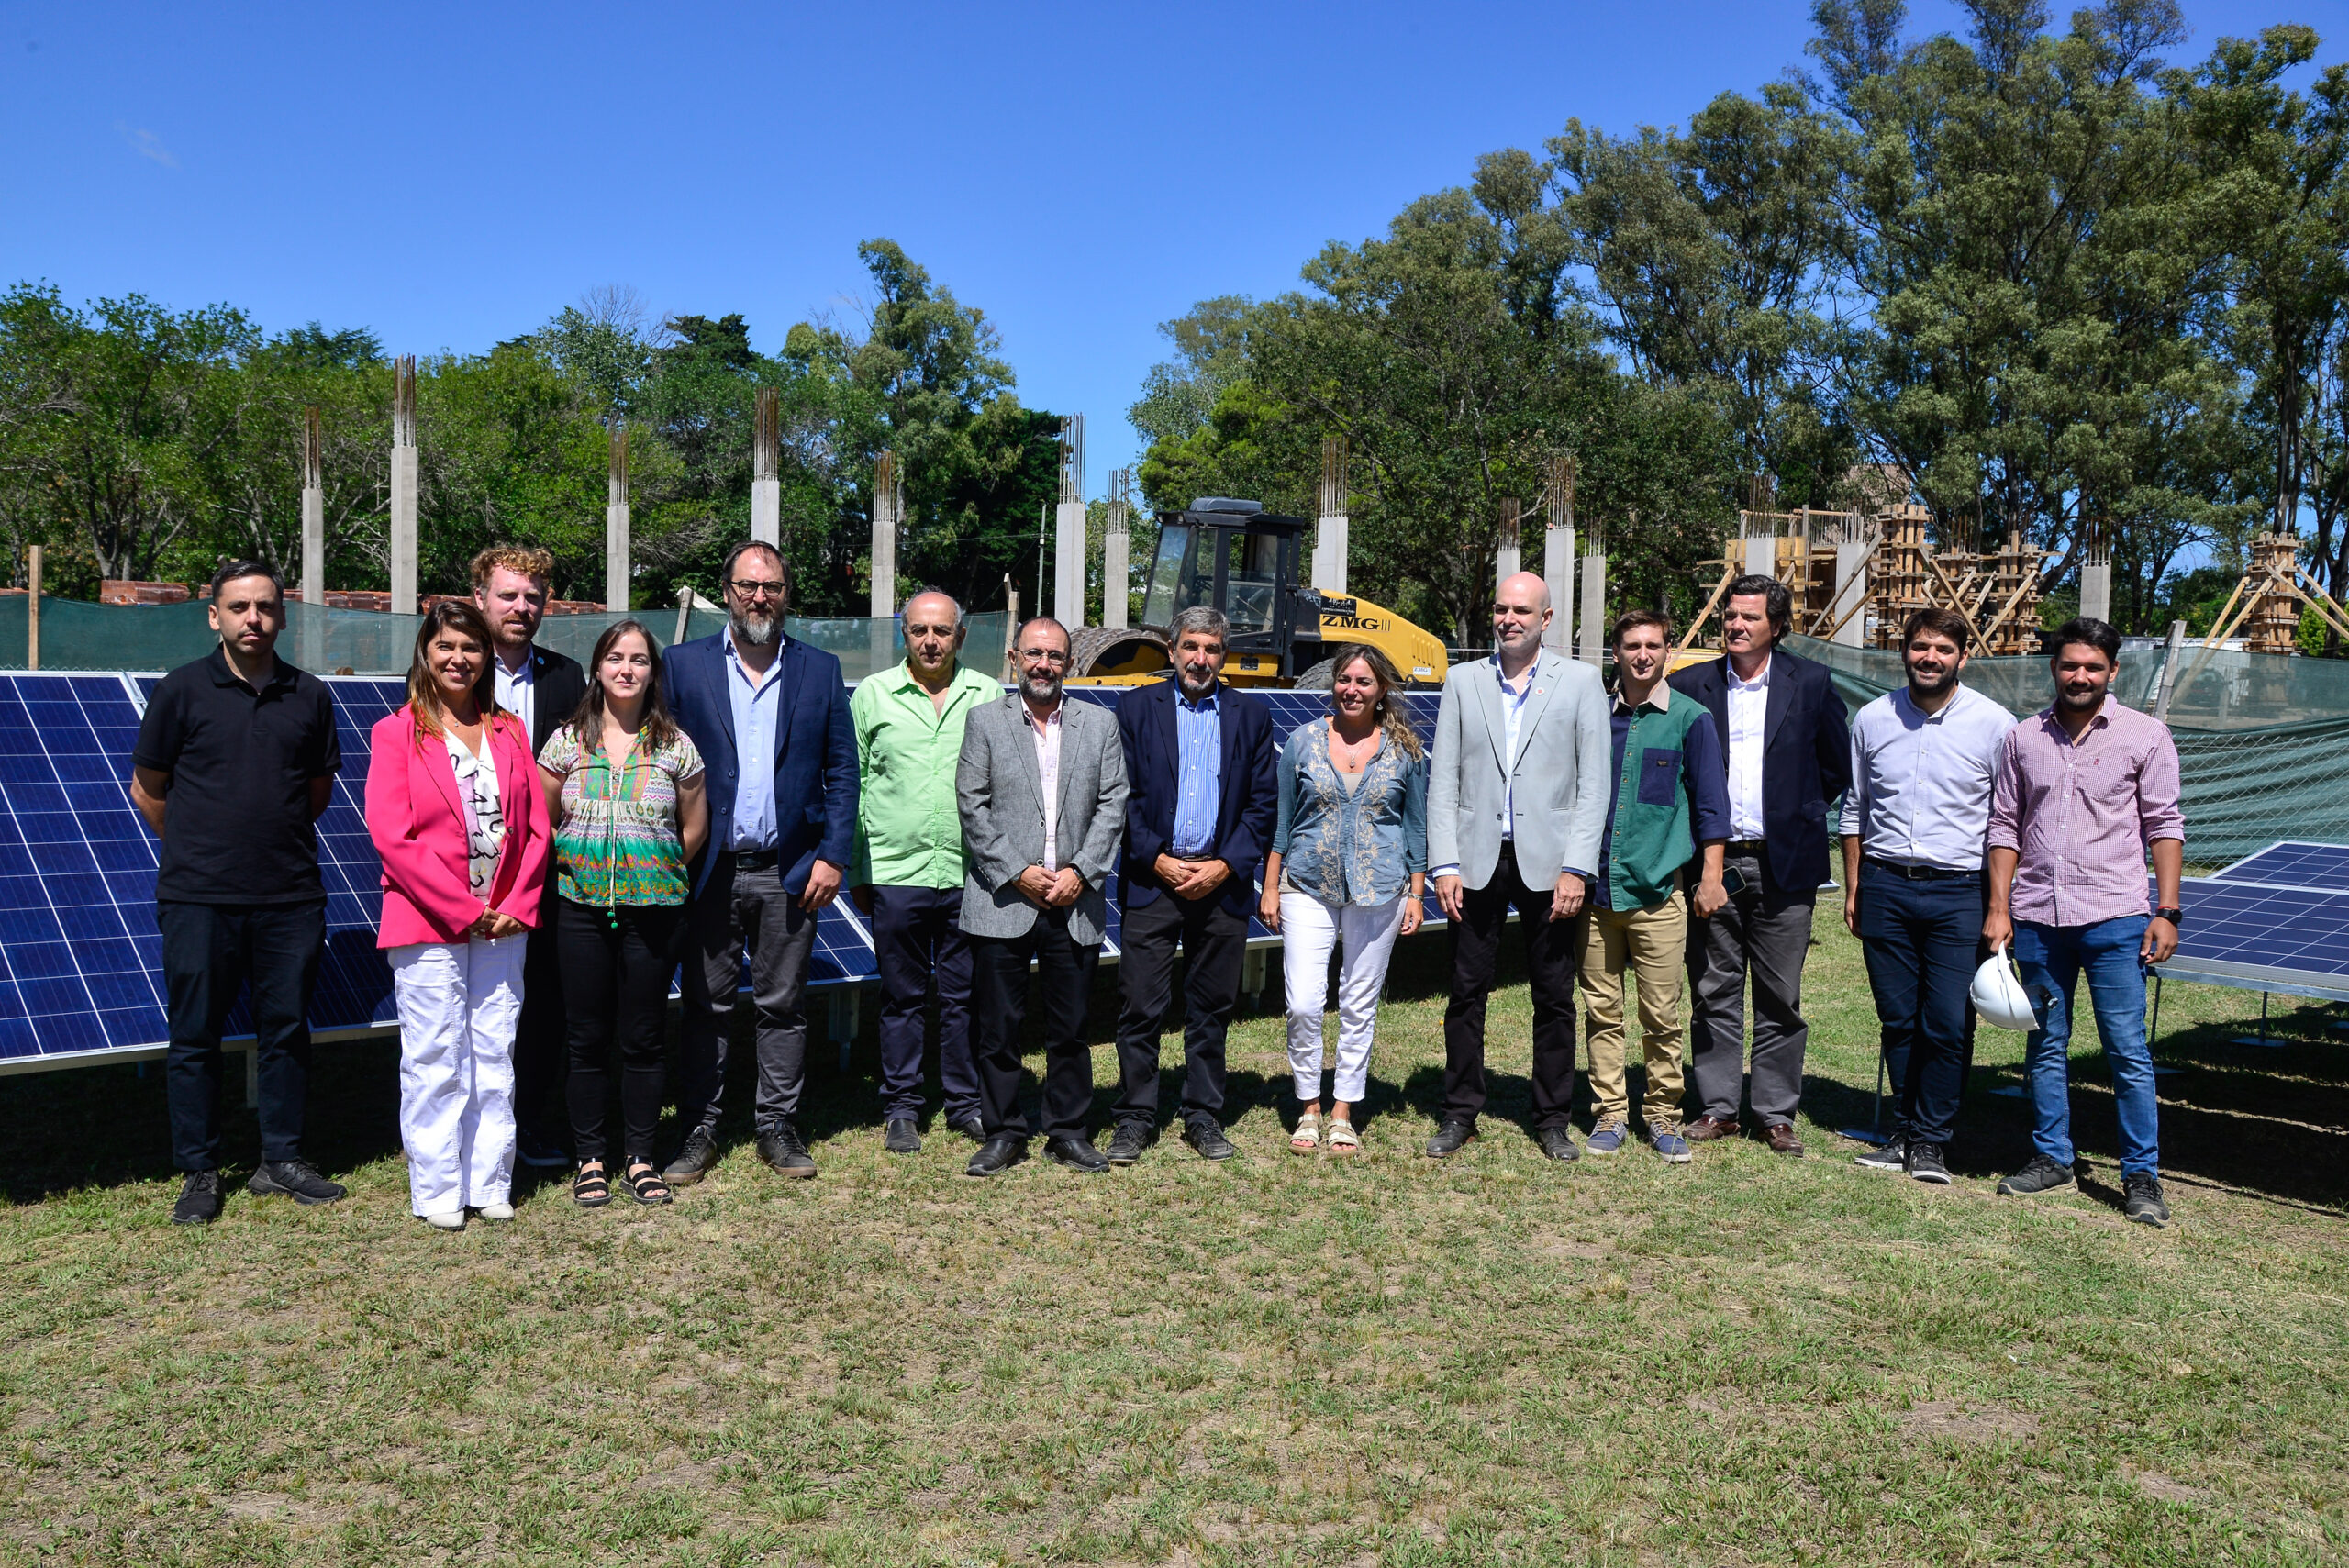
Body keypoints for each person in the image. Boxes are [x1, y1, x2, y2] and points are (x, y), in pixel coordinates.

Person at [131, 560, 348, 1226]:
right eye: (238, 607)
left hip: (288, 896)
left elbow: (315, 794)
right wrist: (205, 850)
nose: (252, 618)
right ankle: (199, 1169)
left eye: (264, 607)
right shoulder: (181, 691)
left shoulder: (309, 695)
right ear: (214, 616)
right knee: (194, 1035)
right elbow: (148, 788)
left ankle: (280, 1159)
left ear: (282, 615)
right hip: (198, 897)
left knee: (285, 1031)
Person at [661, 542, 856, 1184]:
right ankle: (700, 1124)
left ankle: (777, 1123)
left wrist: (833, 855)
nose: (759, 597)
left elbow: (842, 770)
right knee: (705, 1004)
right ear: (727, 590)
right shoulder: (683, 666)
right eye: (747, 585)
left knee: (782, 1002)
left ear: (786, 592)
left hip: (790, 868)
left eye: (771, 585)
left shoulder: (820, 670)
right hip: (707, 867)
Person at [1986, 617, 2184, 1226]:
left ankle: (2141, 1175)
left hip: (2116, 919)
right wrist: (1999, 908)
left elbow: (2164, 825)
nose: (2081, 675)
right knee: (2045, 1042)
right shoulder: (2023, 738)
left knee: (2127, 1048)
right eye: (2070, 664)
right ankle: (2051, 1156)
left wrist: (2167, 911)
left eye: (2093, 667)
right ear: (2054, 667)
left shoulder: (2145, 736)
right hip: (2041, 918)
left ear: (2113, 671)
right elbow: (2004, 827)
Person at [365, 600, 551, 1229]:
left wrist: (515, 904)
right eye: (446, 645)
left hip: (504, 922)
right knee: (436, 1055)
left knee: (495, 1050)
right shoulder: (396, 733)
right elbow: (394, 837)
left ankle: (489, 1180)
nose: (459, 658)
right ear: (426, 651)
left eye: (471, 647)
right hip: (429, 924)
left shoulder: (511, 731)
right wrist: (463, 908)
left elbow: (535, 832)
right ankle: (439, 1189)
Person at [1424, 572, 1609, 1161]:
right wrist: (1444, 864)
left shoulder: (1581, 682)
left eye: (1521, 610)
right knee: (1465, 991)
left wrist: (1577, 867)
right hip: (1476, 860)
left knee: (1553, 994)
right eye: (1501, 608)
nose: (1508, 618)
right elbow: (1443, 779)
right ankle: (1460, 1113)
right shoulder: (1462, 681)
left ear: (1546, 619)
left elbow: (1593, 785)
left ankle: (1552, 1118)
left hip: (1550, 864)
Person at [1667, 573, 1852, 1154]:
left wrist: (1798, 811)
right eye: (1730, 616)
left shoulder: (1813, 682)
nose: (1736, 626)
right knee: (1713, 988)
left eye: (1749, 618)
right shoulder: (1690, 686)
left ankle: (1775, 1112)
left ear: (1777, 625)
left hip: (1785, 864)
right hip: (1712, 865)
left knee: (1780, 996)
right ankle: (1719, 1107)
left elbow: (1835, 765)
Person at [1838, 607, 2013, 1183]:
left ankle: (1932, 1141)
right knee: (1898, 1019)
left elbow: (2005, 823)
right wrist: (1856, 887)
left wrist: (1996, 905)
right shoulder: (1871, 718)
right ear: (1904, 652)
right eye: (1919, 647)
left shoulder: (1994, 725)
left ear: (1963, 656)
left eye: (1942, 649)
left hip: (1959, 891)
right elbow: (1855, 808)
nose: (1929, 658)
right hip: (1885, 885)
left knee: (1946, 1021)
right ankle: (1904, 1132)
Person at [539, 620, 709, 1208]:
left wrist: (649, 868)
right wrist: (585, 865)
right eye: (615, 658)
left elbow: (693, 827)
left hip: (655, 912)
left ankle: (640, 1157)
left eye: (639, 660)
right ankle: (591, 1158)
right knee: (586, 1039)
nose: (627, 669)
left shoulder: (677, 746)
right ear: (598, 669)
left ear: (652, 673)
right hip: (580, 909)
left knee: (642, 1039)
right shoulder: (565, 743)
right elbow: (544, 819)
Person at [957, 618, 1130, 1176]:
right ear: (1015, 658)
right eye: (1034, 654)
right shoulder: (984, 721)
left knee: (1071, 1026)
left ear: (1068, 662)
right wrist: (1017, 872)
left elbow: (1113, 804)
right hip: (1004, 898)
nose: (1044, 665)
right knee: (998, 1027)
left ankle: (1068, 1131)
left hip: (1073, 897)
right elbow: (972, 806)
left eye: (1055, 656)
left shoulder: (1099, 724)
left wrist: (1080, 872)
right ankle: (1004, 1131)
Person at [1107, 606, 1277, 1164]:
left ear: (1222, 657)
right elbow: (1120, 797)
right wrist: (1155, 858)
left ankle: (1202, 1114)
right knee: (1141, 1007)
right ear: (1173, 650)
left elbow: (1261, 806)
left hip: (1220, 885)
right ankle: (1134, 1116)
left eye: (1211, 649)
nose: (1200, 658)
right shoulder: (1134, 708)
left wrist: (1226, 866)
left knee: (1211, 1007)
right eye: (1191, 646)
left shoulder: (1249, 717)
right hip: (1154, 881)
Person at [850, 589, 1000, 1153]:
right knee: (902, 996)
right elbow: (857, 786)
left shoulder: (987, 695)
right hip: (896, 870)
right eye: (918, 631)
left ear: (960, 636)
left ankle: (964, 1103)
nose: (930, 641)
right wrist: (861, 869)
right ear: (903, 634)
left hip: (970, 873)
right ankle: (903, 1108)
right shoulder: (872, 695)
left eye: (941, 631)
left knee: (965, 998)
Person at [1260, 644, 1426, 1155]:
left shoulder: (1405, 752)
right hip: (1307, 884)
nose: (1352, 690)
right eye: (1344, 680)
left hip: (1380, 889)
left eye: (1364, 682)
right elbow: (1282, 822)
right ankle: (1307, 1104)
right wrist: (1270, 886)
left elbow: (1416, 826)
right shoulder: (1302, 742)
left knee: (1359, 1001)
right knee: (1306, 1001)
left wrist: (1417, 891)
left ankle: (1342, 1110)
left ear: (1382, 691)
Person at [1578, 611, 1731, 1164]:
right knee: (1601, 1010)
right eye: (1631, 645)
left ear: (1668, 652)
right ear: (1614, 652)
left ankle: (1663, 1115)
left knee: (1662, 1014)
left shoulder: (1691, 720)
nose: (1642, 655)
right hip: (1596, 896)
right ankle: (1609, 1115)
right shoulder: (1593, 715)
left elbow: (1713, 807)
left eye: (1653, 646)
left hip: (1658, 895)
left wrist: (1710, 876)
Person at [471, 545, 587, 1173]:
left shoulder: (567, 678)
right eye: (509, 595)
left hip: (546, 872)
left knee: (544, 1004)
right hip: (468, 870)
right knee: (469, 1008)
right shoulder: (454, 666)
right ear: (480, 599)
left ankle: (532, 1124)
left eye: (533, 597)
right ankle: (464, 1126)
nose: (521, 607)